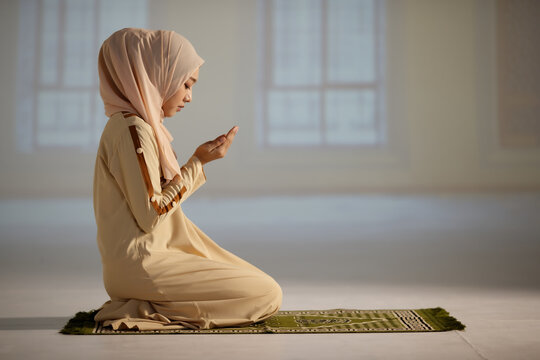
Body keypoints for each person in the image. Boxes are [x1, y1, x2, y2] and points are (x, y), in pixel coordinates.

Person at [92, 27, 282, 331]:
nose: (189, 97)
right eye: (186, 84)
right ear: (157, 75)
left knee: (253, 280)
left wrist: (198, 161)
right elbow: (151, 214)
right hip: (143, 264)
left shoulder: (134, 126)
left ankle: (143, 303)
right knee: (267, 293)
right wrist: (197, 163)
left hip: (149, 257)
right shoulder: (133, 130)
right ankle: (142, 305)